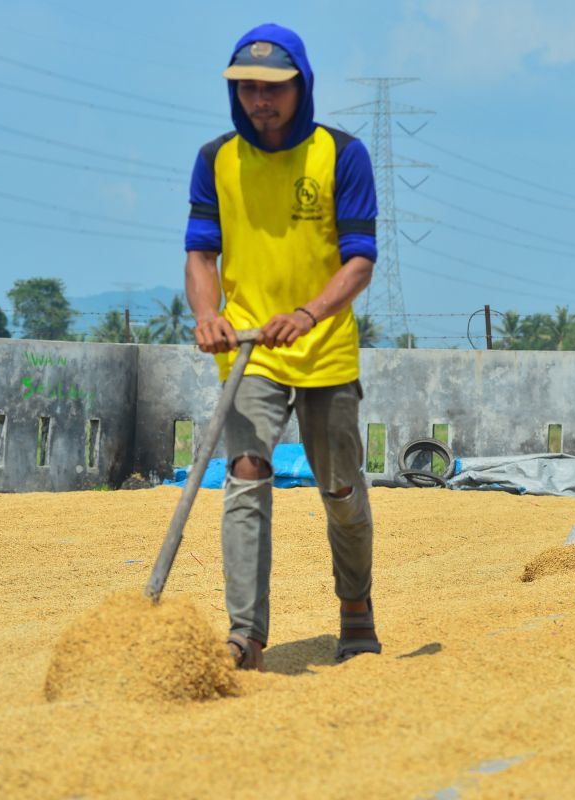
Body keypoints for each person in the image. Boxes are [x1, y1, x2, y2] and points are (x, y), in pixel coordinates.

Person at [183, 24, 381, 669]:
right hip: (249, 349)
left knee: (341, 489)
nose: (257, 100)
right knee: (245, 478)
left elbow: (359, 262)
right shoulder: (216, 158)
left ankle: (355, 608)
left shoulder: (341, 155)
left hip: (323, 347)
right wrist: (207, 313)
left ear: (301, 86)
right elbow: (200, 251)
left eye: (271, 88)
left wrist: (308, 312)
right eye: (244, 88)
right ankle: (246, 633)